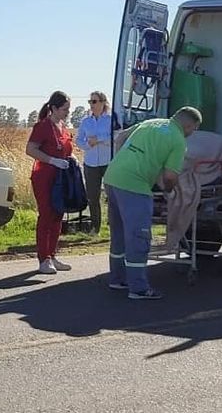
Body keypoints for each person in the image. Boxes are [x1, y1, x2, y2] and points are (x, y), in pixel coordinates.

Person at [103, 107, 202, 300]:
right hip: (134, 186)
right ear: (189, 125)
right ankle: (138, 288)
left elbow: (121, 137)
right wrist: (168, 189)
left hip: (112, 178)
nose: (193, 133)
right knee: (138, 238)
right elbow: (171, 175)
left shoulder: (151, 123)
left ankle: (117, 278)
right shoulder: (178, 140)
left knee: (119, 234)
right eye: (194, 129)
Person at [25, 91, 74, 275]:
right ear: (53, 108)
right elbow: (30, 149)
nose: (67, 112)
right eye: (64, 109)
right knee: (46, 215)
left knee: (57, 216)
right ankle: (43, 258)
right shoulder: (42, 126)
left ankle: (52, 255)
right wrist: (51, 160)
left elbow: (66, 149)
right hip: (44, 176)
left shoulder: (63, 127)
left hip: (61, 178)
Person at [76, 91, 112, 235]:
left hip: (107, 161)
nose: (92, 105)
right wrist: (87, 145)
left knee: (112, 194)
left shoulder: (110, 119)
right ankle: (95, 227)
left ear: (103, 102)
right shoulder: (86, 121)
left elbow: (116, 136)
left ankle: (113, 225)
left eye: (95, 101)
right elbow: (79, 140)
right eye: (90, 102)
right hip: (90, 163)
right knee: (92, 196)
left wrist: (99, 139)